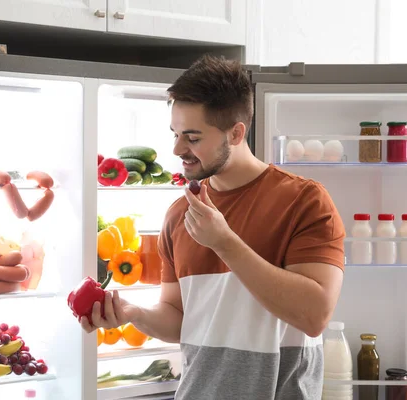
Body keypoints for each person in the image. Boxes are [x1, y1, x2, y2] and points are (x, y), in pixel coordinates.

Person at [81, 55, 345, 399]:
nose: (177, 149)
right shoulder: (179, 214)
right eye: (175, 134)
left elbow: (314, 315)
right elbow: (178, 318)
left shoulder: (304, 201)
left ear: (236, 133)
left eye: (192, 137)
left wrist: (225, 242)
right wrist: (134, 314)